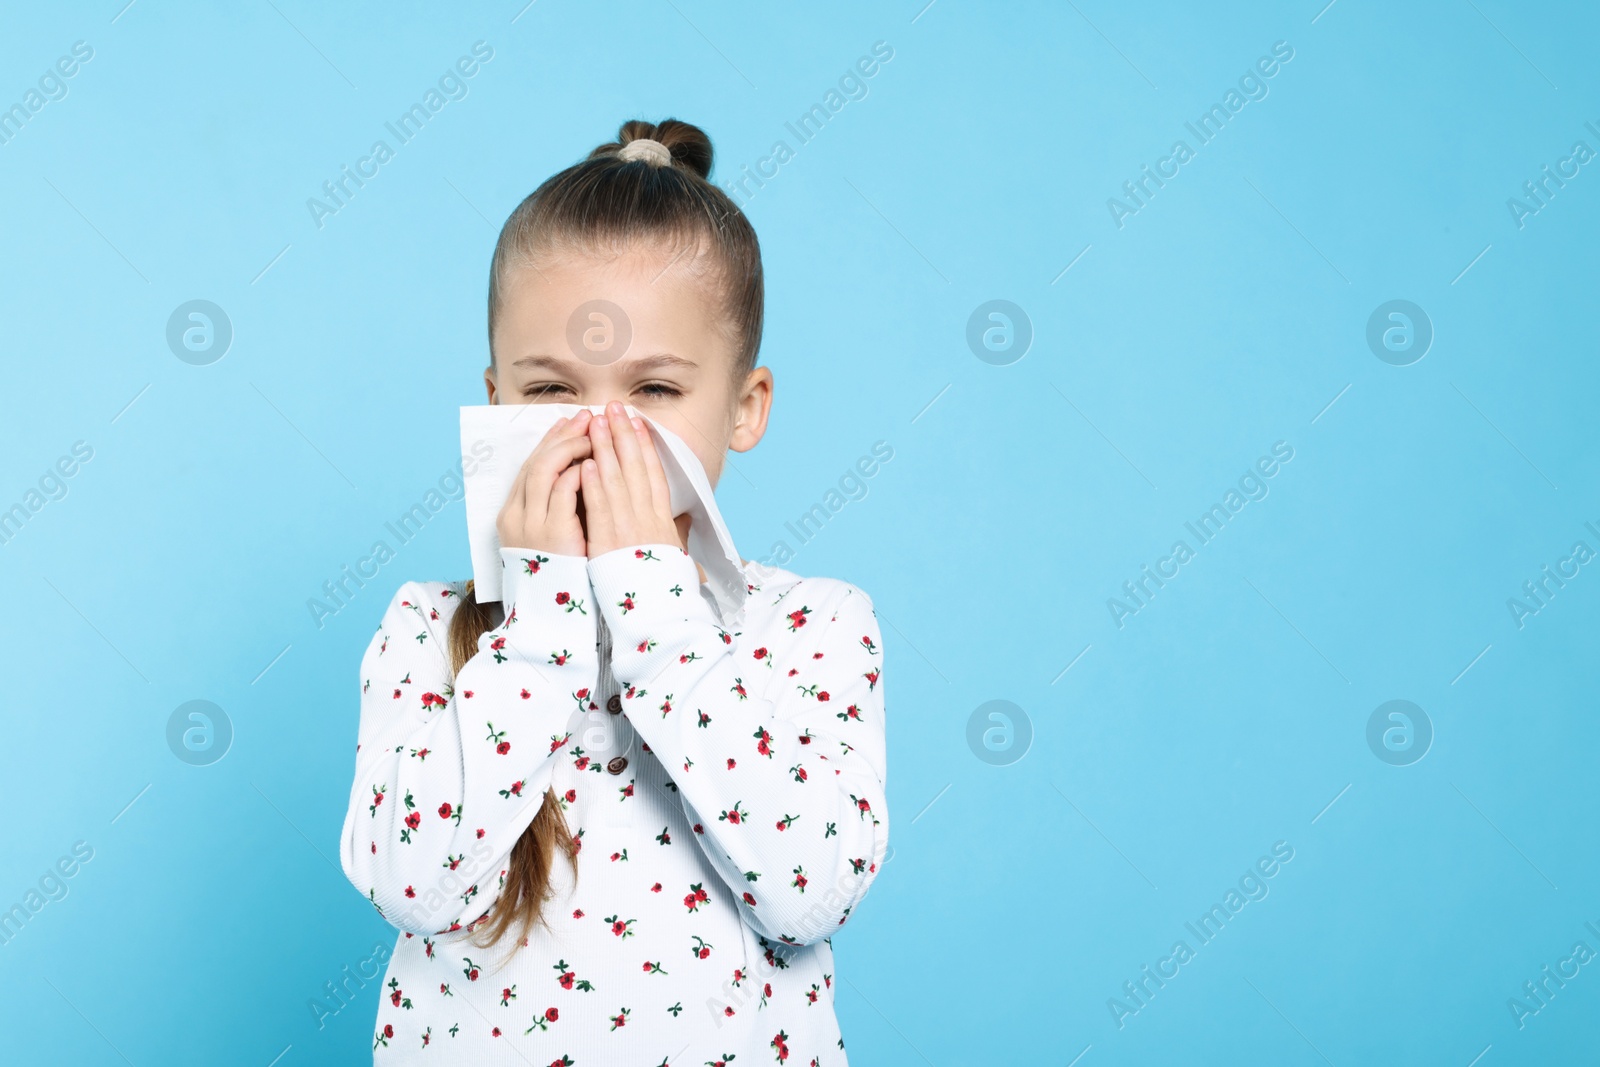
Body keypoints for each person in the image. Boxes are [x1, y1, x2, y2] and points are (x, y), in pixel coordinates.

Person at [338, 118, 889, 1065]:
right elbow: (410, 884)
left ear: (744, 407)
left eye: (655, 391)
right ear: (495, 399)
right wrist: (541, 629)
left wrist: (654, 610)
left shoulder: (812, 627)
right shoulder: (426, 631)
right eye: (552, 389)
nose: (600, 432)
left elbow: (810, 889)